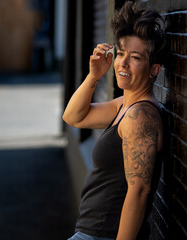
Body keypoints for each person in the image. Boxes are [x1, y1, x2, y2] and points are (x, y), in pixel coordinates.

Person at [63, 1, 166, 239]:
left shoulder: (141, 116)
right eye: (121, 54)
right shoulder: (124, 106)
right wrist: (94, 75)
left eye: (136, 57)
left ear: (154, 70)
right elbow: (73, 116)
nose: (123, 63)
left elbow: (139, 191)